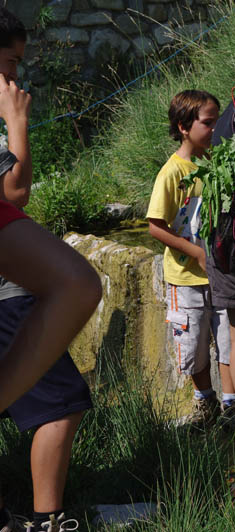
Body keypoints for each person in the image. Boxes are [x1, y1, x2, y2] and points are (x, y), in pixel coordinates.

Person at [0, 8, 100, 532]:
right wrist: (17, 123)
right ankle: (47, 520)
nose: (16, 76)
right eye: (11, 61)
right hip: (10, 293)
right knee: (60, 403)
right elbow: (14, 193)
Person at [146, 90, 235, 428]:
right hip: (187, 279)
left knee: (228, 340)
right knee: (195, 343)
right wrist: (196, 252)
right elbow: (156, 227)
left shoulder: (218, 164)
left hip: (222, 274)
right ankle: (205, 402)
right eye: (208, 122)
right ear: (184, 127)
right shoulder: (172, 173)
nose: (216, 129)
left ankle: (232, 407)